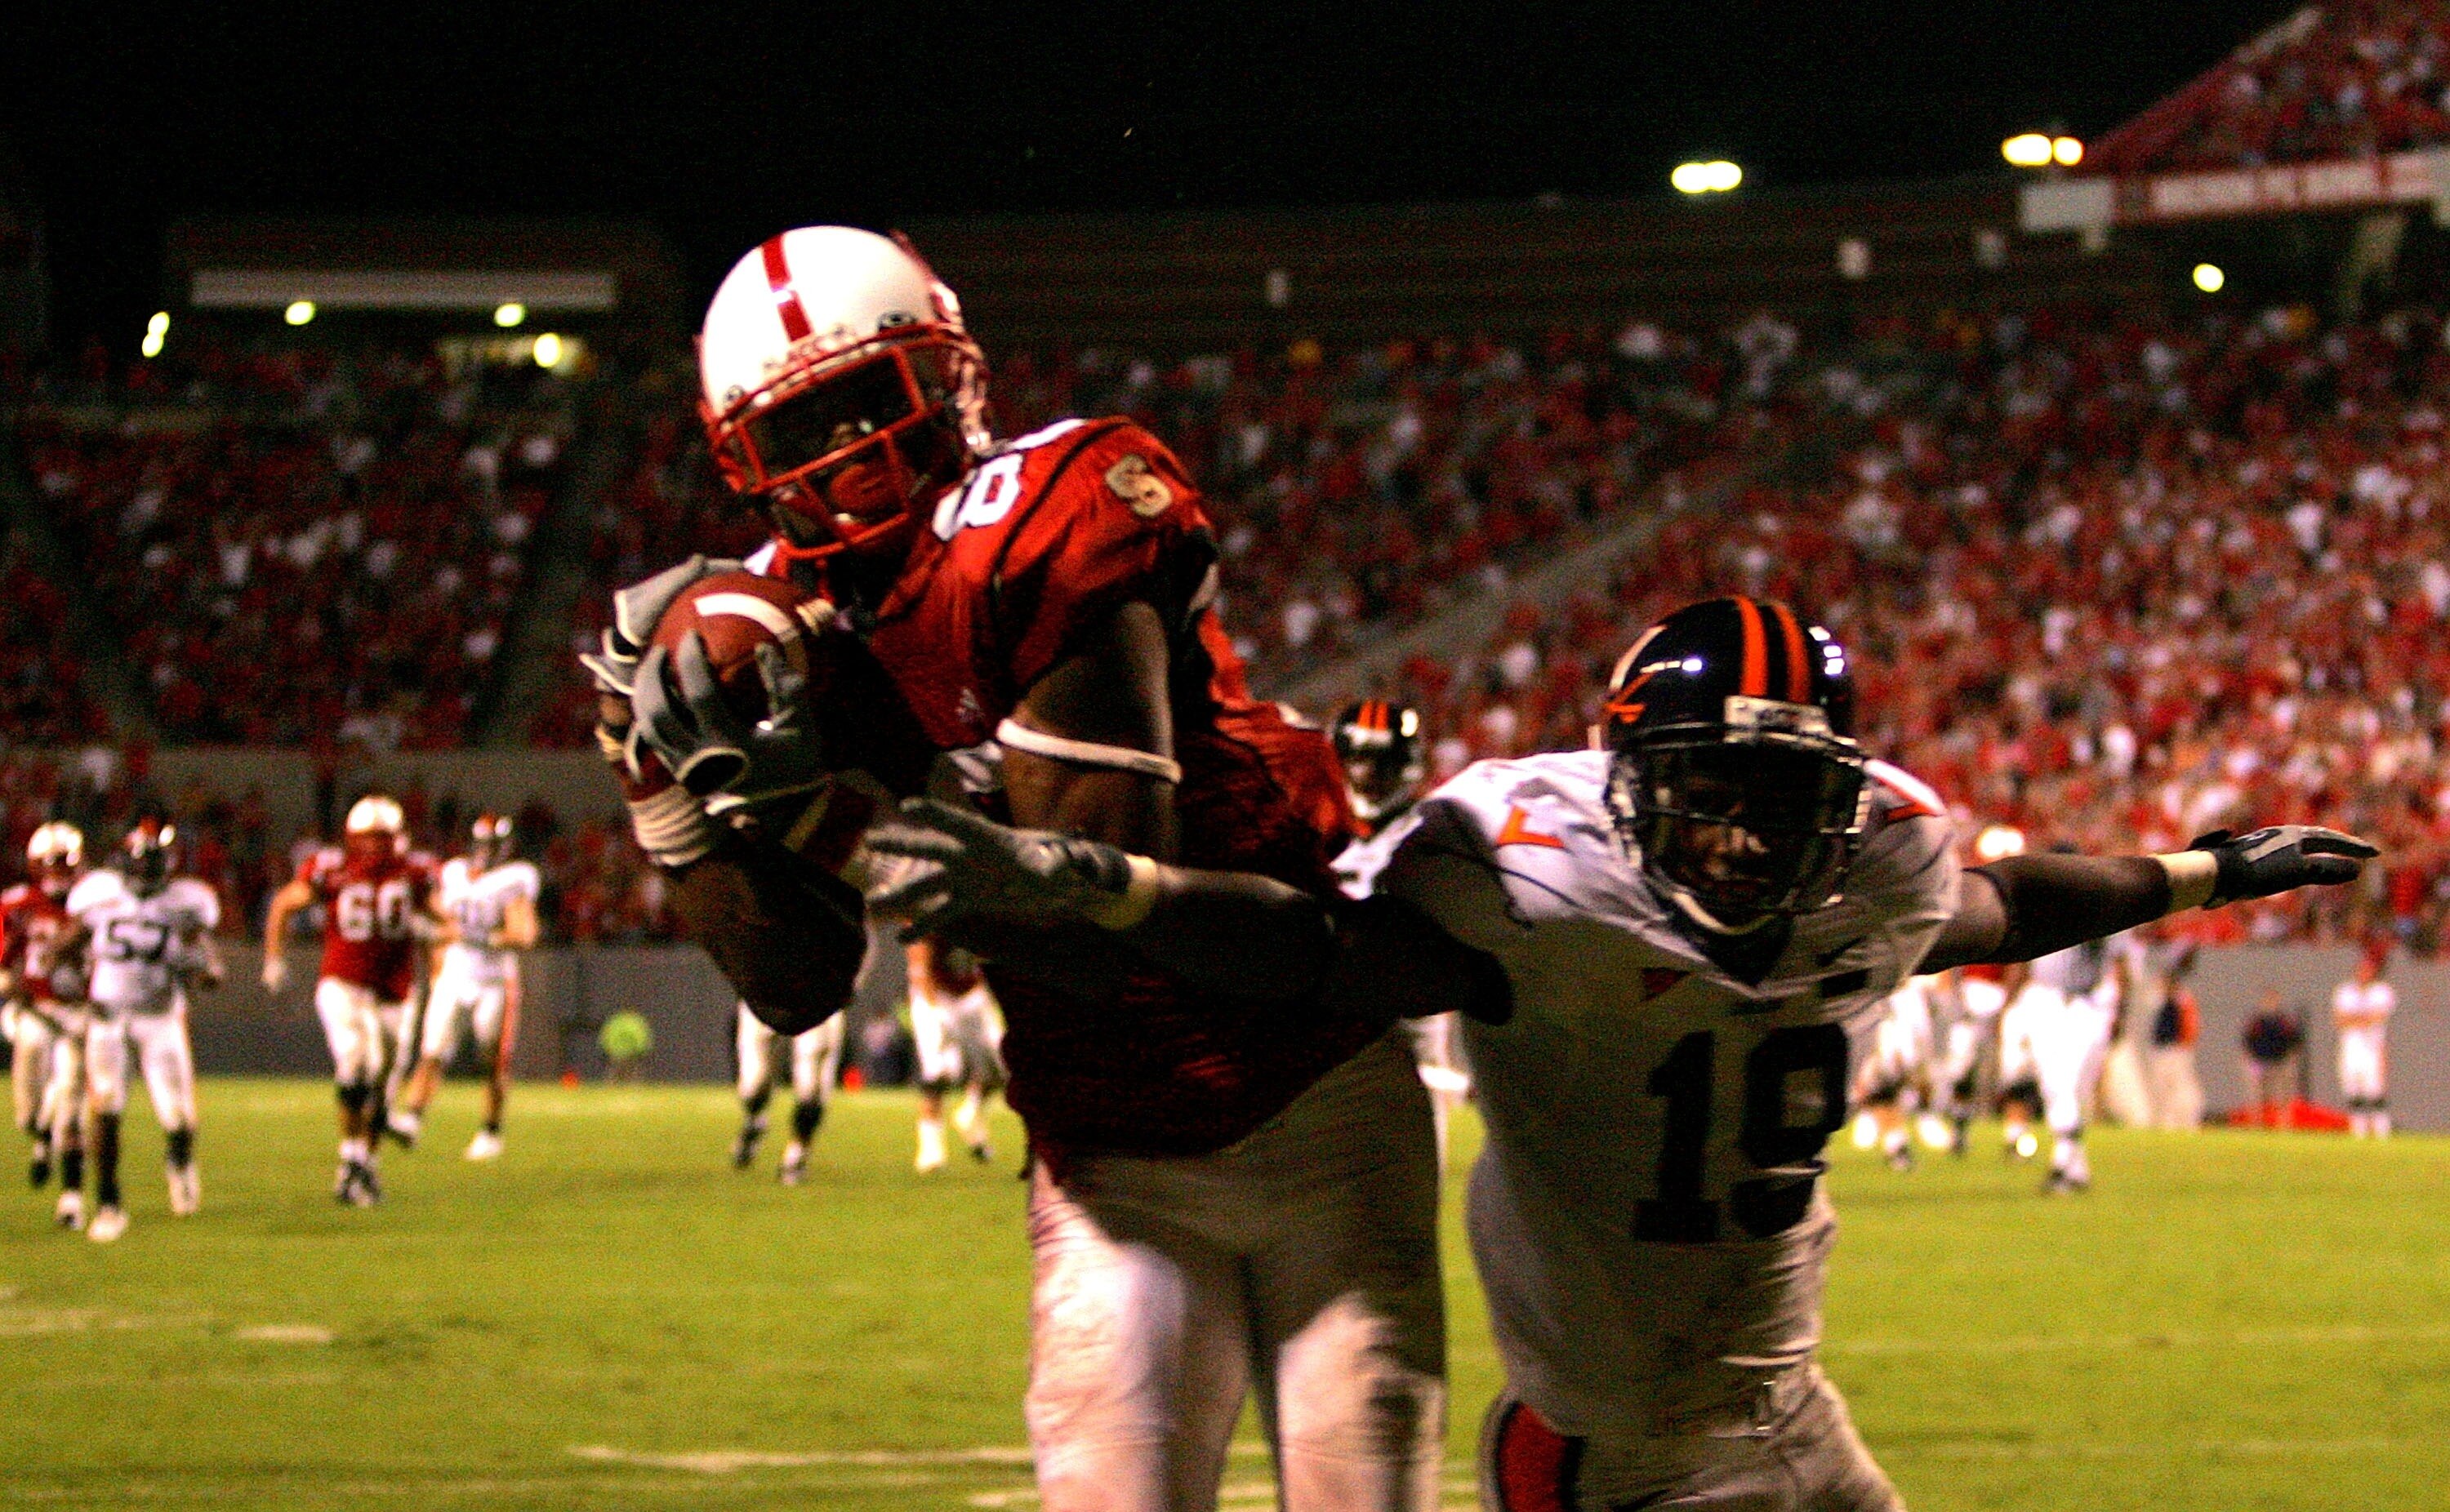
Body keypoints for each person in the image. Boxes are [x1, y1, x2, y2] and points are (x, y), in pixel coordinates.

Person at [588, 225, 1504, 1512]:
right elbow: (795, 986)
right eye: (799, 433)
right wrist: (664, 798)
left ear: (949, 377)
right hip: (1106, 1147)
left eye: (864, 403)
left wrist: (815, 811)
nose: (843, 460)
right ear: (750, 464)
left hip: (1312, 1086)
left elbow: (1101, 904)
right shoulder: (773, 627)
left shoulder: (1053, 508)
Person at [1368, 595, 2370, 1512]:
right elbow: (1319, 961)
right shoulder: (1528, 887)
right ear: (1625, 783)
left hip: (1791, 1408)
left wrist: (2216, 868)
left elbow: (2010, 903)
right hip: (1616, 1444)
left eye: (1783, 798)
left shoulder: (1868, 877)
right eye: (1715, 792)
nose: (1750, 839)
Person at [263, 794, 439, 1206]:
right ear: (352, 838)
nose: (376, 846)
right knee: (358, 1061)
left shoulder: (415, 872)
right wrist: (274, 959)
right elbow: (284, 903)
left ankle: (365, 1165)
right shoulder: (331, 869)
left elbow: (444, 917)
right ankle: (350, 1160)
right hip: (343, 981)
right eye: (369, 838)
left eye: (383, 837)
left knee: (386, 1080)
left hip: (395, 989)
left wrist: (438, 932)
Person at [60, 821, 220, 1243]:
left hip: (160, 1017)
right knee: (106, 1109)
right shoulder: (100, 895)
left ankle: (180, 1161)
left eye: (153, 865)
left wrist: (208, 969)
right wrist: (58, 961)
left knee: (179, 1117)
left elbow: (204, 948)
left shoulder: (186, 902)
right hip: (108, 1017)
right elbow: (72, 939)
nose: (146, 874)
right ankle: (109, 1203)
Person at [1330, 700, 1472, 1163]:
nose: (1367, 774)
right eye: (1357, 759)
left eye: (1381, 762)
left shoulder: (1431, 832)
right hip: (1333, 1017)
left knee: (1413, 1170)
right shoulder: (1316, 830)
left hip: (1414, 1021)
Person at [395, 812, 538, 1160]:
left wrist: (480, 936)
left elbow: (525, 935)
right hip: (455, 974)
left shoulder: (514, 878)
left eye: (493, 845)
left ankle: (491, 1131)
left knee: (492, 1061)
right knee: (431, 1052)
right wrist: (438, 943)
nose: (486, 851)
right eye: (483, 844)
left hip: (494, 981)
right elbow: (441, 917)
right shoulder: (454, 872)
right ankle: (412, 1118)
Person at [4, 823, 88, 1228]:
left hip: (79, 1011)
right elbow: (4, 961)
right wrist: (8, 983)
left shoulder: (94, 901)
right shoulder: (19, 904)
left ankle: (72, 1201)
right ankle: (40, 1137)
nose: (59, 869)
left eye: (65, 861)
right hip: (36, 1009)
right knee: (28, 1110)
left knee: (72, 1101)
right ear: (36, 864)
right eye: (51, 862)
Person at [906, 937, 1002, 1172]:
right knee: (939, 1073)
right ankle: (930, 1146)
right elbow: (919, 968)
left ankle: (970, 1111)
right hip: (935, 996)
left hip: (971, 994)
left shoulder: (977, 912)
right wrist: (934, 1010)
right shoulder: (929, 918)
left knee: (1001, 1068)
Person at [732, 1001, 845, 1184]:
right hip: (766, 990)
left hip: (818, 993)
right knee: (753, 1084)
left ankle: (798, 1152)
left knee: (811, 1086)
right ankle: (755, 1120)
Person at [2332, 947, 2394, 1137]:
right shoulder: (2344, 991)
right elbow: (2339, 1020)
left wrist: (2354, 1018)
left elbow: (2379, 1017)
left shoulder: (2382, 991)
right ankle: (2358, 1129)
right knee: (2352, 1087)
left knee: (2374, 1088)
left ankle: (2381, 1129)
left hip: (2372, 1045)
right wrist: (2362, 1018)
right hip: (2351, 1045)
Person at [2241, 989, 2306, 1124]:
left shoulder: (2284, 1021)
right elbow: (2247, 1041)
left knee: (2283, 1097)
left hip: (2280, 1062)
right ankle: (2256, 1124)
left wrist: (2291, 1060)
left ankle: (2284, 1124)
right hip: (2259, 1062)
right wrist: (2249, 1062)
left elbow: (2296, 1041)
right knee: (2257, 1098)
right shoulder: (2257, 1021)